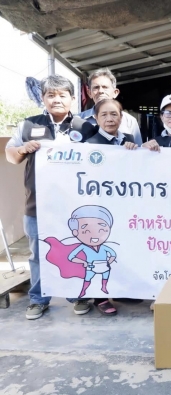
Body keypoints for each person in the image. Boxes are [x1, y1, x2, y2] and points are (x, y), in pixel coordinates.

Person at [4, 75, 95, 319]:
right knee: (38, 255)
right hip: (37, 204)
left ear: (72, 98)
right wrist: (22, 149)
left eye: (62, 95)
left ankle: (78, 296)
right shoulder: (29, 125)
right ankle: (38, 300)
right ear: (43, 98)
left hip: (75, 206)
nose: (56, 100)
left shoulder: (85, 127)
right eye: (51, 95)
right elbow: (11, 155)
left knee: (78, 251)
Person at [84, 98, 140, 315]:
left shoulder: (128, 140)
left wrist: (138, 150)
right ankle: (100, 298)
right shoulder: (90, 144)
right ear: (96, 118)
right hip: (100, 207)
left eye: (114, 114)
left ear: (121, 117)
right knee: (100, 252)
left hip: (124, 205)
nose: (109, 119)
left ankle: (120, 290)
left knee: (122, 249)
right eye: (104, 115)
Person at [80, 68, 142, 146]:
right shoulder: (79, 120)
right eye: (96, 87)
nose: (101, 91)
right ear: (89, 93)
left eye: (105, 87)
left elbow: (138, 149)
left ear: (115, 92)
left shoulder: (129, 121)